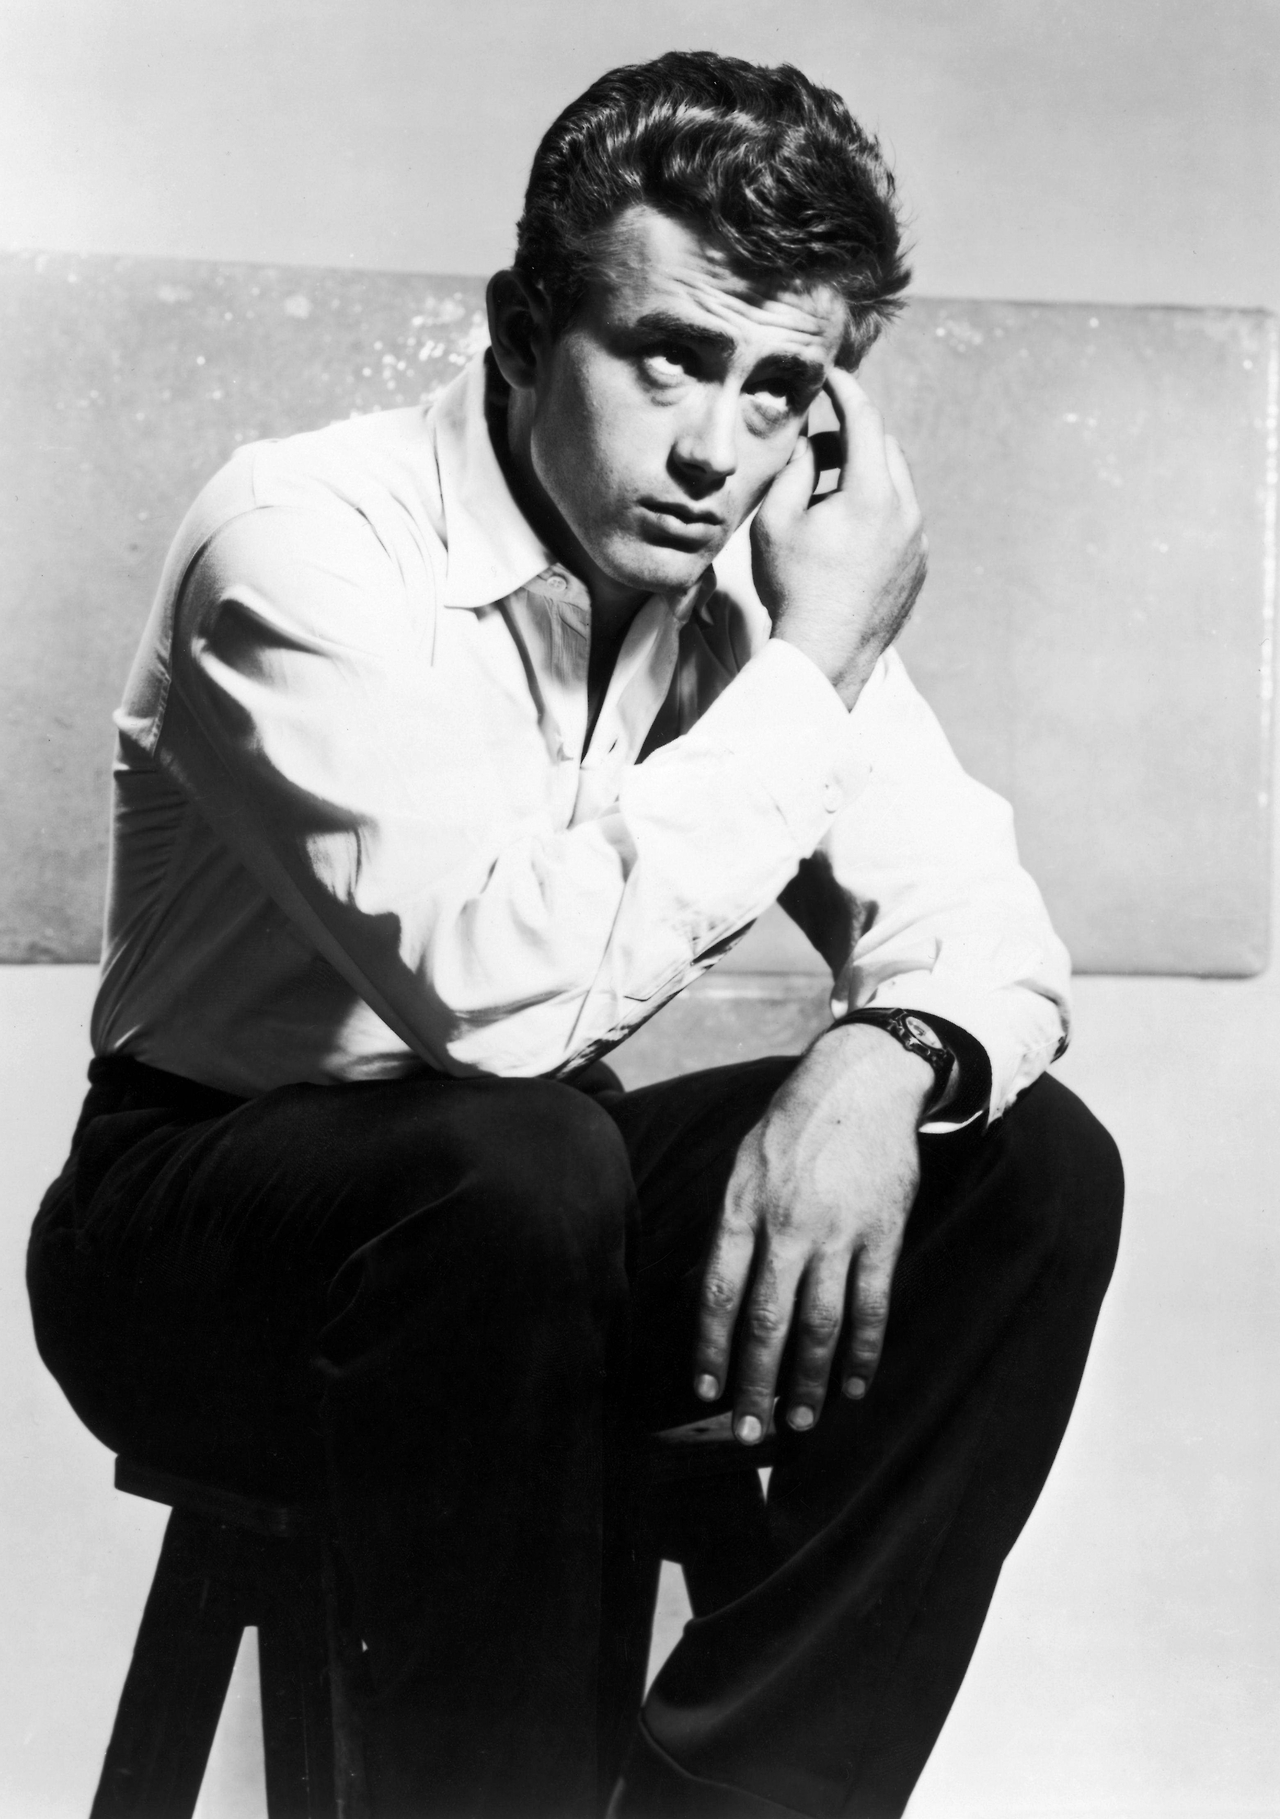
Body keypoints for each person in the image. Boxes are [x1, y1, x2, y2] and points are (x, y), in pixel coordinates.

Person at [28, 49, 1123, 1819]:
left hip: (538, 1229)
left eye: (781, 391)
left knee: (1028, 1169)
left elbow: (982, 927)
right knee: (519, 1159)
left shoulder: (746, 583)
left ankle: (730, 1802)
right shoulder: (301, 539)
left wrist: (888, 1054)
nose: (716, 450)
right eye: (669, 356)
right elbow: (494, 1000)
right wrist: (812, 669)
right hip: (197, 1237)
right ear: (525, 327)